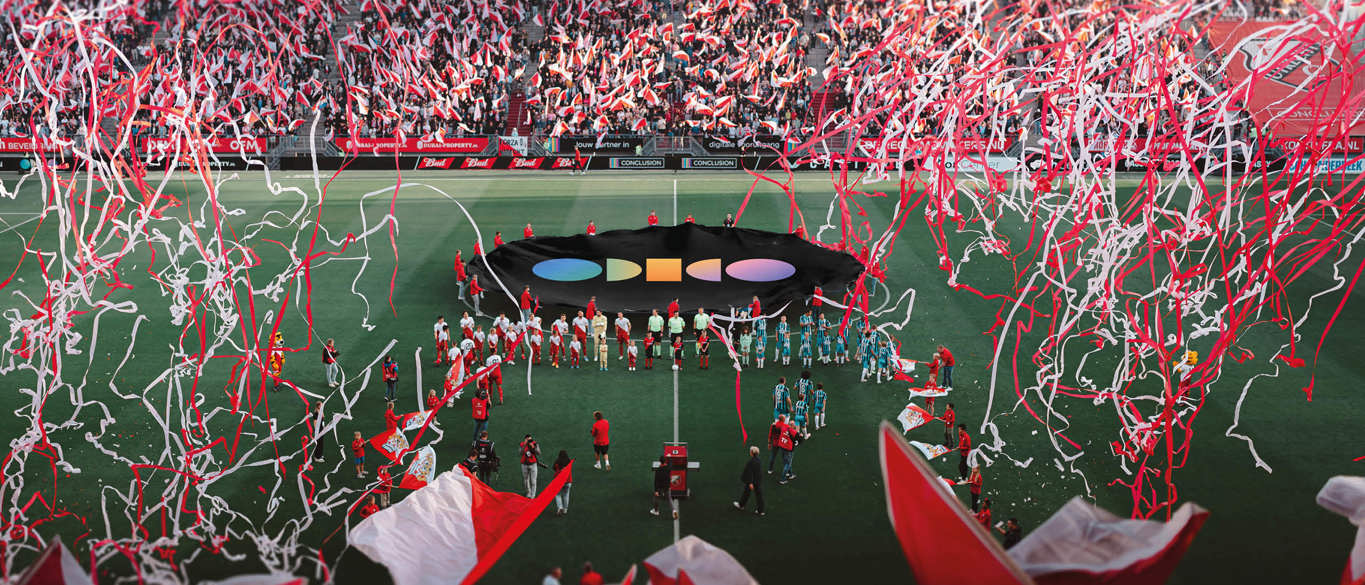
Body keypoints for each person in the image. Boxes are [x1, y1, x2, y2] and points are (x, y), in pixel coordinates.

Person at [733, 445, 765, 515]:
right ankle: (761, 510)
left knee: (746, 493)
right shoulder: (759, 460)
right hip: (758, 481)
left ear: (751, 453)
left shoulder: (751, 462)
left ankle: (741, 505)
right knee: (759, 495)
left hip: (752, 481)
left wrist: (750, 483)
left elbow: (749, 473)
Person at [775, 415, 797, 484]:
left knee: (786, 461)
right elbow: (798, 439)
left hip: (782, 446)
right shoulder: (793, 431)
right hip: (788, 448)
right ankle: (783, 479)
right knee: (788, 463)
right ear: (792, 426)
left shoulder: (784, 427)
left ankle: (790, 474)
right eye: (794, 424)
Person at [553, 449, 573, 515]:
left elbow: (554, 468)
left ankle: (560, 508)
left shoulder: (557, 461)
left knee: (557, 495)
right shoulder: (569, 461)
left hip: (559, 481)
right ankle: (565, 510)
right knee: (566, 495)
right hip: (568, 481)